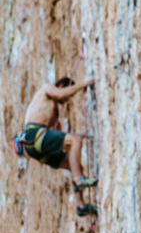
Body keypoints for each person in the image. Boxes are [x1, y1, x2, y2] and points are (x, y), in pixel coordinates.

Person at [14, 76, 98, 214]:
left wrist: (83, 134)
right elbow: (59, 94)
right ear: (61, 86)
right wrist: (83, 84)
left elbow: (63, 143)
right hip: (33, 134)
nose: (68, 99)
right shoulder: (48, 88)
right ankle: (78, 181)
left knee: (75, 164)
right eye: (69, 95)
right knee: (75, 142)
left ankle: (81, 206)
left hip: (35, 146)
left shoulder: (54, 114)